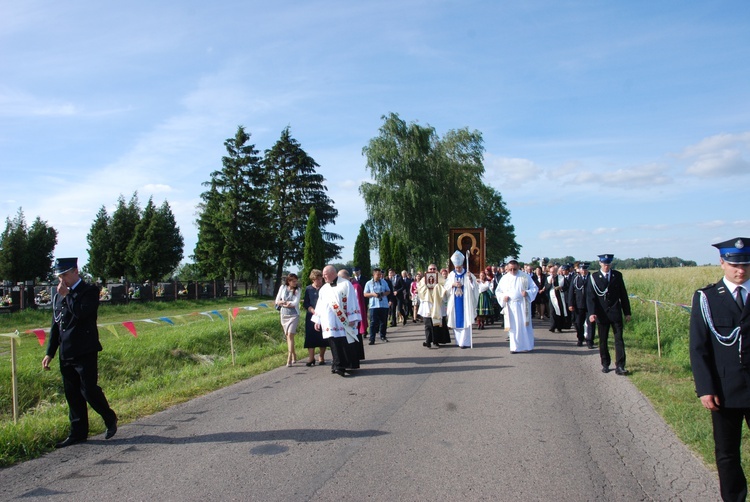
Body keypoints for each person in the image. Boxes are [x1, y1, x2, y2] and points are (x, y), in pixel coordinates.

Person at [690, 238, 750, 502]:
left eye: (747, 264)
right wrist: (705, 388)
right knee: (727, 454)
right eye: (735, 264)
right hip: (725, 390)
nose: (741, 270)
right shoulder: (707, 298)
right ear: (722, 262)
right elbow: (699, 348)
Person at [42, 257, 117, 448]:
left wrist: (68, 295)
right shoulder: (59, 295)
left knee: (88, 390)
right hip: (66, 351)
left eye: (65, 275)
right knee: (72, 393)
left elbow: (83, 314)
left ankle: (108, 417)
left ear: (75, 271)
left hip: (85, 350)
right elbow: (56, 325)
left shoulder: (89, 291)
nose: (62, 280)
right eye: (59, 276)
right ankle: (78, 432)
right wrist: (50, 352)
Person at [312, 265, 361, 377]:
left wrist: (353, 317)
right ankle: (337, 364)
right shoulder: (324, 289)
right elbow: (320, 305)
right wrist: (317, 320)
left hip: (344, 321)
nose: (323, 276)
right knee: (334, 343)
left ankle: (344, 365)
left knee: (345, 343)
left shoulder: (345, 284)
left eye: (325, 274)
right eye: (323, 274)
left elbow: (352, 300)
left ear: (333, 273)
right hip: (329, 321)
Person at [587, 253, 632, 375]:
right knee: (603, 340)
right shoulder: (594, 277)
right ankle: (605, 363)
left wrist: (627, 312)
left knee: (619, 340)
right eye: (604, 263)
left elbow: (623, 295)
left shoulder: (617, 275)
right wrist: (592, 313)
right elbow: (591, 297)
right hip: (601, 314)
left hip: (615, 312)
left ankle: (620, 366)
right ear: (600, 263)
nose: (606, 266)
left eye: (608, 264)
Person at [496, 260, 538, 353]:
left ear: (518, 267)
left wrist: (527, 293)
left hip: (523, 305)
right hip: (510, 305)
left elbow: (535, 288)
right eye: (510, 269)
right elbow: (498, 291)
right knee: (513, 327)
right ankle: (514, 347)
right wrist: (503, 297)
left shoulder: (525, 276)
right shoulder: (504, 278)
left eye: (514, 269)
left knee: (524, 326)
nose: (512, 271)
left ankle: (527, 346)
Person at [445, 250, 478, 348]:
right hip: (454, 302)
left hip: (465, 302)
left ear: (462, 265)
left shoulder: (468, 274)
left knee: (466, 321)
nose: (458, 269)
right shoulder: (451, 274)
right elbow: (446, 287)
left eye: (459, 267)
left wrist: (471, 279)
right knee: (456, 322)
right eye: (456, 267)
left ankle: (466, 343)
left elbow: (474, 287)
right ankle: (459, 342)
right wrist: (453, 284)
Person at [338, 269, 365, 368]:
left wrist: (354, 316)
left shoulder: (354, 286)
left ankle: (355, 358)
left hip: (352, 316)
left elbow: (356, 302)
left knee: (354, 337)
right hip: (344, 317)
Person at [418, 264, 449, 348]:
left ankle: (436, 341)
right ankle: (428, 341)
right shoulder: (423, 279)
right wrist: (427, 287)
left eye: (434, 269)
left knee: (436, 324)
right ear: (427, 270)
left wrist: (437, 287)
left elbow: (446, 288)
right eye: (430, 269)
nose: (432, 271)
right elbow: (420, 290)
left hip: (437, 304)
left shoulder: (441, 279)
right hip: (428, 304)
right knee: (428, 324)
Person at [567, 262, 596, 348]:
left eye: (585, 269)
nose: (584, 271)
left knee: (591, 323)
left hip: (590, 305)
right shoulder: (575, 278)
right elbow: (571, 292)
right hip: (579, 305)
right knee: (579, 323)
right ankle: (580, 338)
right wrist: (570, 304)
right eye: (582, 269)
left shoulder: (592, 278)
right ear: (579, 270)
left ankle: (590, 341)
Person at [275, 273, 301, 367]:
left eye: (296, 281)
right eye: (293, 281)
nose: (295, 283)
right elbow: (277, 300)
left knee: (290, 334)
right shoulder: (282, 288)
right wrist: (283, 303)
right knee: (288, 336)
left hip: (294, 315)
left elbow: (295, 303)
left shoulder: (298, 290)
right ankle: (294, 354)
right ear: (289, 281)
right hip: (284, 314)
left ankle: (289, 356)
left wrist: (284, 302)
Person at [302, 269, 327, 366]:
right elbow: (306, 303)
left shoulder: (324, 288)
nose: (320, 281)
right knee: (310, 337)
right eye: (317, 280)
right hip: (311, 316)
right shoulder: (308, 289)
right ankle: (311, 358)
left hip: (323, 316)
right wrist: (312, 310)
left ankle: (321, 356)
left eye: (321, 279)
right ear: (313, 279)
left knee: (322, 337)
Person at [363, 267, 391, 344]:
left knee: (383, 322)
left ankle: (383, 336)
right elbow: (365, 294)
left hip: (383, 305)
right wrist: (373, 294)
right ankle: (372, 339)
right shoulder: (368, 283)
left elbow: (388, 291)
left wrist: (382, 294)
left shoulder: (384, 282)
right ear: (373, 274)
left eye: (380, 274)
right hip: (373, 305)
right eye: (377, 275)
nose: (379, 276)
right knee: (373, 322)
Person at [547, 265, 568, 333]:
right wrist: (550, 283)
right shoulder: (548, 278)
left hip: (559, 296)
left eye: (553, 272)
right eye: (551, 272)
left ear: (556, 272)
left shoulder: (562, 278)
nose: (552, 274)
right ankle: (552, 327)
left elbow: (566, 287)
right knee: (552, 312)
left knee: (560, 312)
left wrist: (561, 288)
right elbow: (546, 288)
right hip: (552, 297)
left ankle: (559, 327)